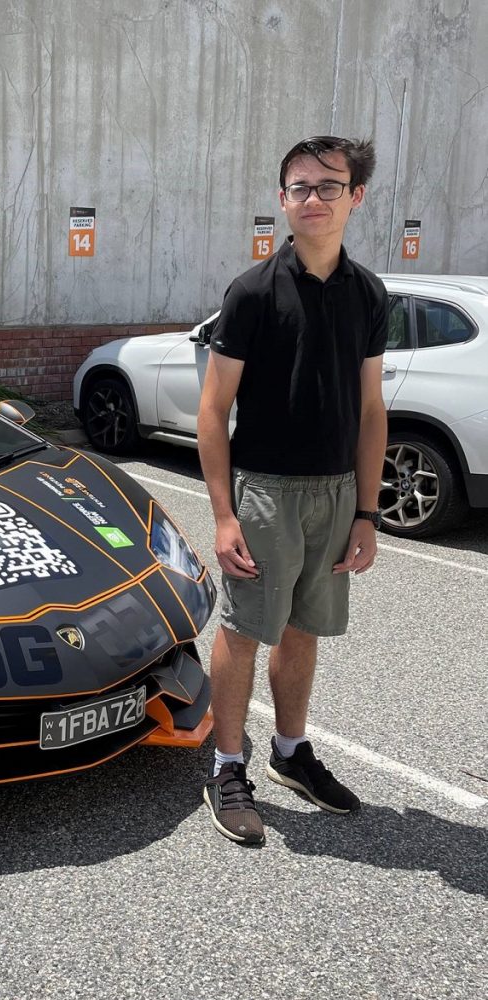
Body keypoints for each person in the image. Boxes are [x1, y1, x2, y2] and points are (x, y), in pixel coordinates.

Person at [197, 136, 388, 845]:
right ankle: (225, 765)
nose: (312, 198)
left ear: (355, 196)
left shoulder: (368, 293)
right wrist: (222, 515)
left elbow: (371, 411)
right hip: (264, 492)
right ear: (282, 199)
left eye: (328, 186)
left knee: (303, 628)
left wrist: (367, 512)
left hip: (336, 495)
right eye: (299, 187)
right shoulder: (251, 293)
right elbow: (212, 411)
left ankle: (289, 753)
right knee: (245, 629)